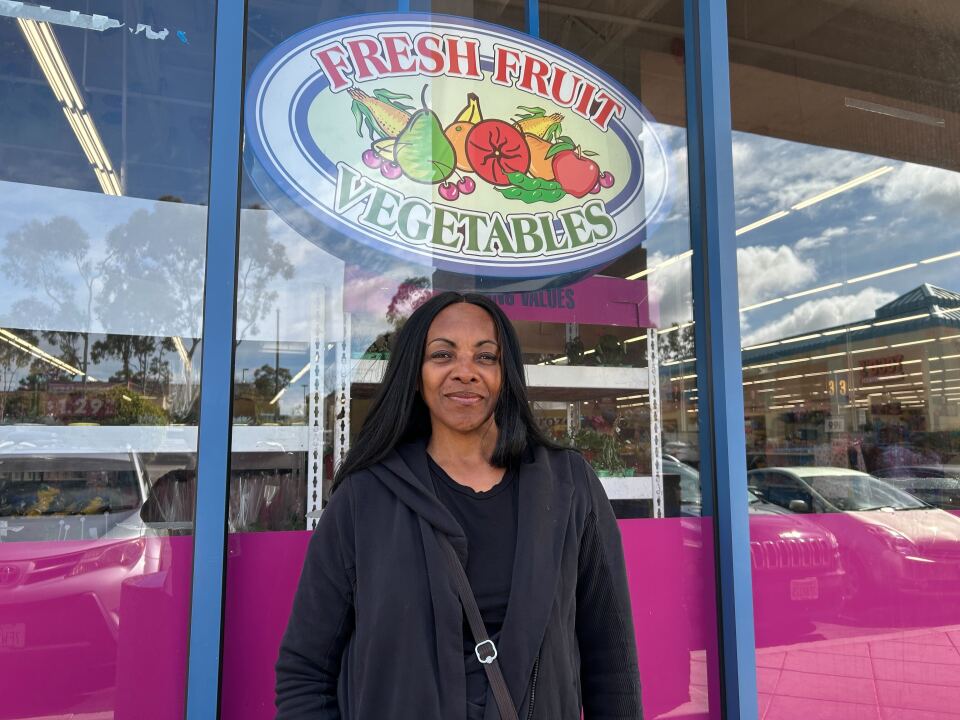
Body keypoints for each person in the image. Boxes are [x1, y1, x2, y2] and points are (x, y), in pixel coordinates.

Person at [275, 291, 642, 719]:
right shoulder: (363, 498)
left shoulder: (568, 487)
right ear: (416, 374)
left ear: (507, 376)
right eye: (442, 355)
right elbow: (306, 671)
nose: (465, 373)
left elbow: (612, 665)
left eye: (485, 358)